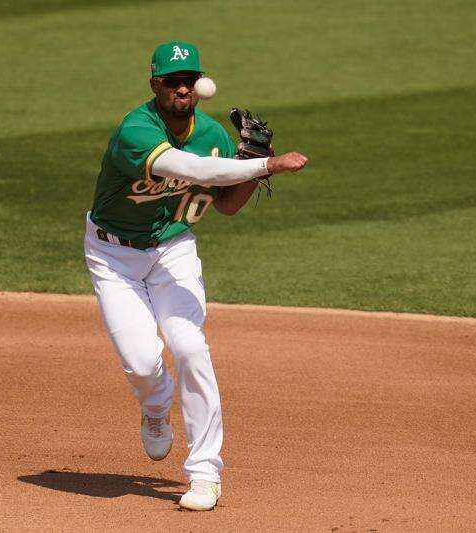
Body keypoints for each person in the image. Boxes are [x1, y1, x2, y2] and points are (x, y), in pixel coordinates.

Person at [83, 40, 308, 511]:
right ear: (155, 85)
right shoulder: (135, 130)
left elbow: (225, 203)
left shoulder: (212, 134)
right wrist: (266, 163)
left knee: (190, 347)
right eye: (172, 81)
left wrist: (248, 169)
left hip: (173, 250)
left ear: (199, 86)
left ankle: (205, 473)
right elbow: (186, 166)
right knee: (143, 363)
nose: (182, 88)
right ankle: (155, 405)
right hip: (113, 257)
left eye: (189, 80)